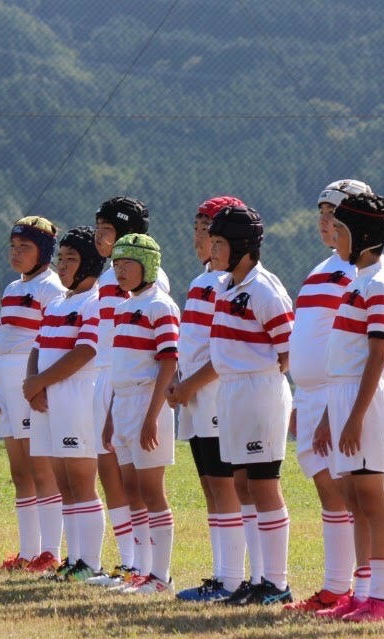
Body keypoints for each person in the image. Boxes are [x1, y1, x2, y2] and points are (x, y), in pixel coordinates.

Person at [314, 192, 384, 623]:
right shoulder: (359, 277)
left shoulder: (381, 282)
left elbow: (377, 356)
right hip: (344, 396)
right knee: (353, 496)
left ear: (365, 236)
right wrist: (331, 417)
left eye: (343, 230)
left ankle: (382, 598)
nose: (334, 237)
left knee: (371, 495)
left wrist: (353, 416)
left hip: (364, 398)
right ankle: (363, 589)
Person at [282, 180, 372, 614]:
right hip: (314, 395)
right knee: (327, 489)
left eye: (333, 214)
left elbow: (348, 341)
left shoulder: (359, 273)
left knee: (348, 491)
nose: (324, 222)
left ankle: (359, 588)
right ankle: (337, 586)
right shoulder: (322, 270)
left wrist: (326, 407)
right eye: (321, 214)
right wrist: (303, 398)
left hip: (338, 394)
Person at [205, 205, 296, 608]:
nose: (212, 248)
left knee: (263, 484)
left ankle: (276, 583)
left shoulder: (264, 289)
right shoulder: (226, 285)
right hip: (232, 392)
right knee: (241, 484)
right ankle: (256, 580)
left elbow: (290, 347)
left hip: (260, 392)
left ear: (243, 247)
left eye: (220, 242)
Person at [85, 197, 170, 588]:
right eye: (98, 228)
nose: (119, 270)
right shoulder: (116, 289)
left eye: (108, 230)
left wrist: (151, 412)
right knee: (121, 480)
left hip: (140, 391)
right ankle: (133, 565)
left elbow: (164, 356)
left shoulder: (155, 295)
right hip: (115, 387)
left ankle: (152, 570)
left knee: (144, 487)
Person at [170, 196, 245, 602]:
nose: (199, 237)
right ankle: (222, 576)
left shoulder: (228, 284)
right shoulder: (202, 280)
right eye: (197, 227)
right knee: (210, 487)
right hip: (195, 394)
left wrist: (192, 384)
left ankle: (232, 580)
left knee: (225, 486)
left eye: (208, 229)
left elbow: (226, 349)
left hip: (214, 393)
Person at [23, 226, 108, 582]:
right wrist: (33, 384)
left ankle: (90, 561)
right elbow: (38, 347)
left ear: (89, 262)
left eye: (71, 259)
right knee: (62, 480)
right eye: (60, 258)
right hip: (49, 397)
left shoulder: (96, 301)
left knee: (80, 480)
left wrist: (41, 381)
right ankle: (73, 559)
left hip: (77, 394)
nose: (62, 266)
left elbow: (87, 350)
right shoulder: (58, 301)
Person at [0, 217, 66, 573]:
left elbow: (49, 342)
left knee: (41, 469)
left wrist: (39, 383)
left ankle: (50, 552)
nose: (16, 254)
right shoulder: (12, 288)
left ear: (45, 252)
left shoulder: (52, 288)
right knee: (20, 471)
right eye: (13, 247)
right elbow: (1, 340)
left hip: (28, 379)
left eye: (26, 248)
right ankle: (28, 550)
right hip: (4, 377)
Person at [101, 232, 179, 595]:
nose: (120, 270)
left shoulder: (160, 306)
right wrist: (112, 416)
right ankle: (141, 571)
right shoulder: (123, 307)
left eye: (127, 263)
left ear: (147, 265)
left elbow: (168, 363)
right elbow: (122, 367)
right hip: (125, 403)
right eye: (116, 263)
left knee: (151, 490)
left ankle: (160, 576)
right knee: (131, 489)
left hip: (150, 402)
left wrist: (152, 415)